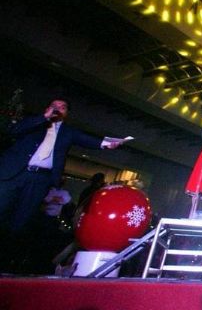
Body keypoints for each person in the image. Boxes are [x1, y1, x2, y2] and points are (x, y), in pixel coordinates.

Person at [0, 98, 122, 237]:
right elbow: (13, 130)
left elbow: (88, 140)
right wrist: (43, 118)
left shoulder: (68, 132)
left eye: (62, 107)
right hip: (13, 173)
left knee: (21, 218)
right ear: (47, 109)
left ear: (66, 113)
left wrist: (108, 143)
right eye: (54, 106)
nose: (58, 109)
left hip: (40, 179)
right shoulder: (34, 122)